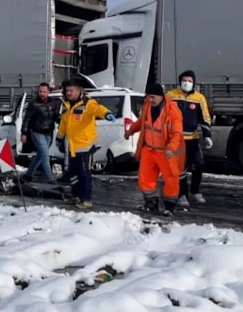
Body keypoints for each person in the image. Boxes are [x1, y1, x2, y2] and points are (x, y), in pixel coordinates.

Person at [126, 82, 185, 216]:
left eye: (153, 97)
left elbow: (177, 134)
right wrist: (131, 130)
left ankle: (169, 207)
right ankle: (151, 204)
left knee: (171, 180)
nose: (150, 100)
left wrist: (171, 148)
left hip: (166, 152)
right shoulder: (148, 105)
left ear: (161, 96)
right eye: (148, 97)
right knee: (145, 178)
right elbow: (142, 121)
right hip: (149, 150)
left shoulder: (173, 111)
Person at [56, 78, 115, 210]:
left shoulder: (88, 103)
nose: (69, 93)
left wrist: (107, 114)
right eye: (67, 91)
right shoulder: (67, 105)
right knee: (73, 173)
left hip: (85, 146)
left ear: (79, 90)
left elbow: (98, 109)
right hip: (72, 146)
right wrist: (60, 137)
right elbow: (64, 123)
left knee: (84, 174)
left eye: (71, 91)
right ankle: (76, 196)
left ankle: (86, 199)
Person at [166, 70, 213, 206]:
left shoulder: (199, 98)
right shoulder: (171, 96)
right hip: (177, 139)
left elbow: (205, 117)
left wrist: (207, 135)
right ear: (180, 82)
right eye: (185, 80)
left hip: (192, 138)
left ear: (194, 83)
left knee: (199, 164)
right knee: (180, 168)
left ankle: (195, 192)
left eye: (190, 81)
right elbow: (164, 116)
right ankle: (182, 195)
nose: (187, 83)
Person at [21, 82, 60, 183]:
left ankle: (29, 175)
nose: (42, 94)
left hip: (49, 133)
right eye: (40, 92)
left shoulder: (54, 103)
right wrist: (24, 133)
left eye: (44, 92)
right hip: (37, 132)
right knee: (45, 155)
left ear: (48, 92)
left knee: (40, 155)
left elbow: (56, 117)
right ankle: (50, 179)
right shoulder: (34, 104)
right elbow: (27, 119)